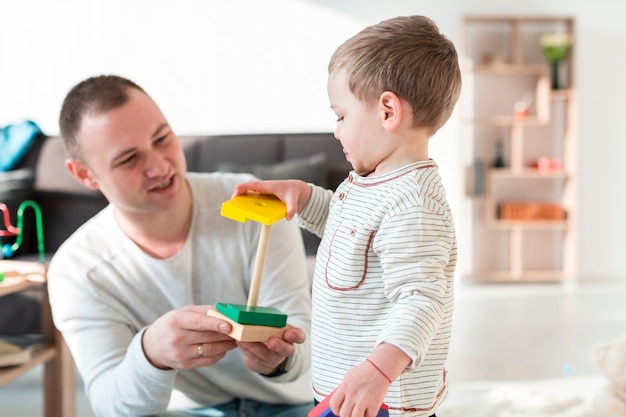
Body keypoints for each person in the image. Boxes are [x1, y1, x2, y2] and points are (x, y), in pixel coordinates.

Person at [233, 15, 461, 417]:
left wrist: (377, 371)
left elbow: (422, 300)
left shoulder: (413, 204)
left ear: (387, 111)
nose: (336, 131)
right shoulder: (370, 181)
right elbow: (350, 233)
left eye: (341, 116)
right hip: (349, 389)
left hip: (382, 398)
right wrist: (303, 198)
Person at [47, 75, 313, 417]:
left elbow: (301, 342)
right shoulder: (78, 269)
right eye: (129, 159)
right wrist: (150, 354)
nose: (160, 167)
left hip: (291, 403)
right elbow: (111, 405)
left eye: (162, 138)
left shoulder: (256, 206)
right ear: (84, 174)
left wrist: (281, 358)